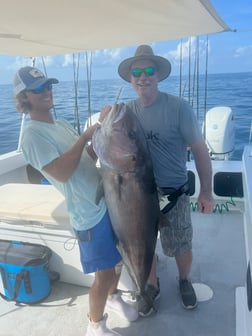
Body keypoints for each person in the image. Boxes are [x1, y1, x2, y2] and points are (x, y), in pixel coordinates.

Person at [14, 66, 138, 336]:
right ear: (25, 97)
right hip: (88, 214)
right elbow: (60, 171)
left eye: (48, 86)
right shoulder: (32, 136)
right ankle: (95, 325)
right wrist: (84, 137)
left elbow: (88, 158)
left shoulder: (59, 124)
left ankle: (114, 298)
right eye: (38, 89)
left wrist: (103, 134)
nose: (47, 92)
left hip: (106, 202)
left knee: (117, 262)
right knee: (103, 274)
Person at [117, 45, 214, 317]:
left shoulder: (178, 107)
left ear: (158, 74)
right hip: (139, 194)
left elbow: (199, 149)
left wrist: (206, 191)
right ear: (131, 78)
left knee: (180, 244)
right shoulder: (125, 112)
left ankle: (184, 280)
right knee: (143, 241)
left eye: (149, 70)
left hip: (173, 193)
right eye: (137, 72)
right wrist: (103, 120)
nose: (143, 76)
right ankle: (151, 284)